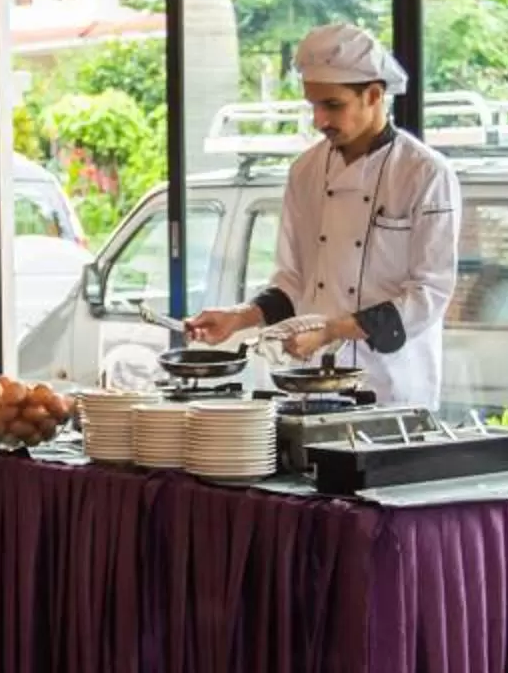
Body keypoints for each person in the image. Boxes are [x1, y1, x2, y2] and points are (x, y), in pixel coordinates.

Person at [186, 21, 460, 409]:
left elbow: (428, 294)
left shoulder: (424, 172)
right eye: (313, 105)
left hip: (391, 386)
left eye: (333, 105)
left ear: (374, 95)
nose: (319, 120)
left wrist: (331, 329)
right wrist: (238, 317)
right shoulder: (306, 170)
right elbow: (294, 281)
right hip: (309, 382)